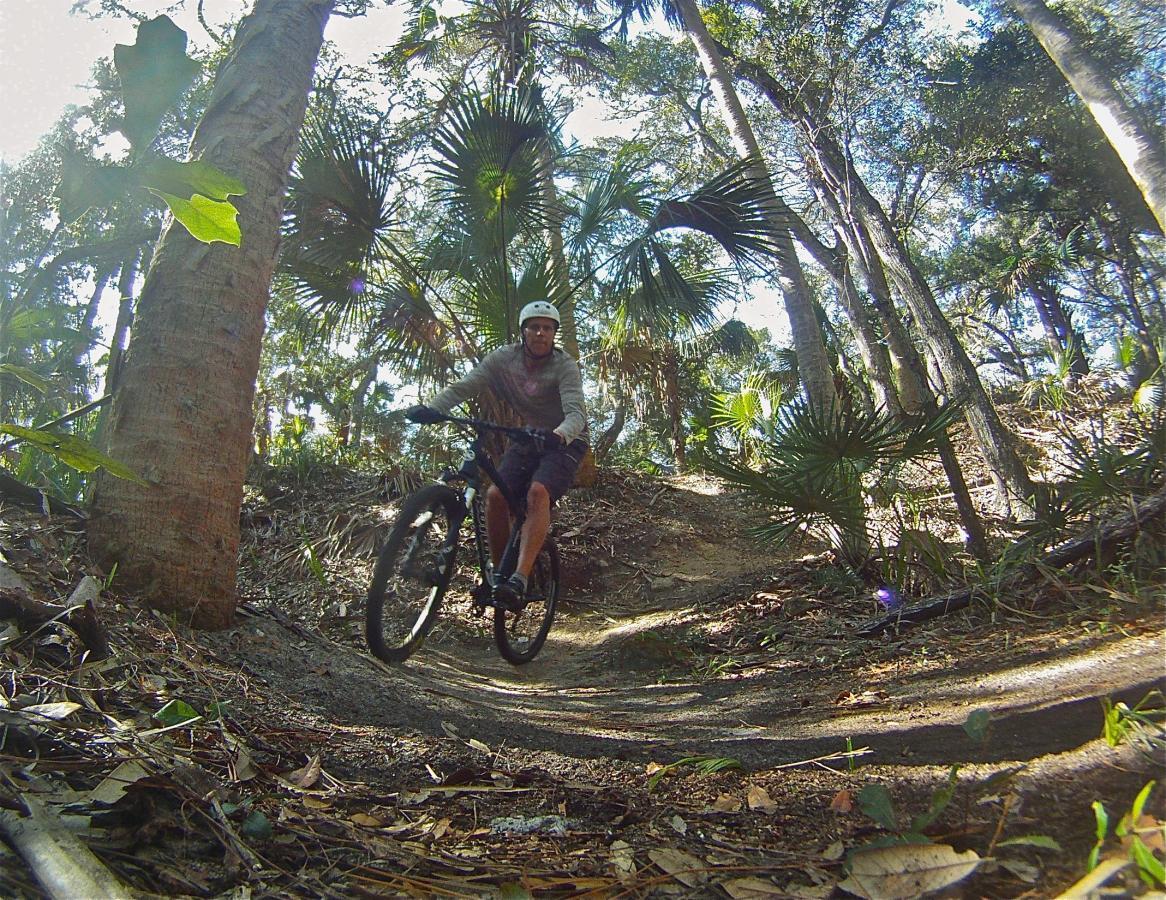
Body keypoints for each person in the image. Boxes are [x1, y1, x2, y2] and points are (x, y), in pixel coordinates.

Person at [405, 301, 588, 609]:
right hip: (526, 437)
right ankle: (498, 574)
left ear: (554, 334)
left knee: (537, 492)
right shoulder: (503, 359)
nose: (540, 333)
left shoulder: (564, 365)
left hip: (564, 441)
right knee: (494, 496)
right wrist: (434, 409)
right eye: (534, 327)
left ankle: (519, 579)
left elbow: (576, 413)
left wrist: (559, 435)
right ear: (523, 331)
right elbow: (466, 386)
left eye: (547, 328)